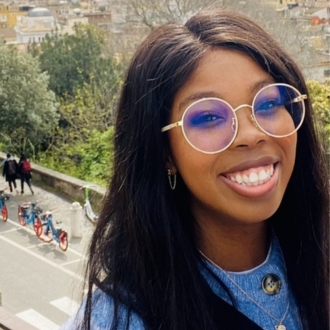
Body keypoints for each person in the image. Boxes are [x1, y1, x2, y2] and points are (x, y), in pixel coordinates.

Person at [61, 9, 329, 330]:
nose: (250, 134)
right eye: (208, 117)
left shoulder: (316, 252)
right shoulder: (121, 319)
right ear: (165, 154)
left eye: (269, 103)